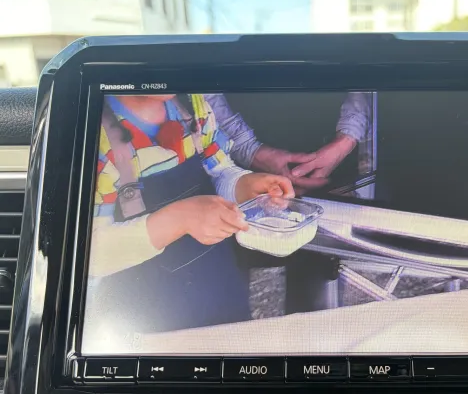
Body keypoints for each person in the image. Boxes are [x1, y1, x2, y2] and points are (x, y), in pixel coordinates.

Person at [85, 93, 293, 340]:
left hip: (221, 286)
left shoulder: (194, 106)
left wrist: (246, 186)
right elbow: (92, 255)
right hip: (147, 318)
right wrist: (181, 219)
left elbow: (220, 170)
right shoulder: (93, 137)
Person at [204, 92, 372, 193]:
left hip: (338, 155)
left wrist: (346, 139)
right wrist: (248, 149)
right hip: (245, 161)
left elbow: (363, 66)